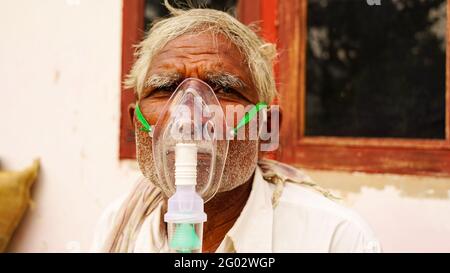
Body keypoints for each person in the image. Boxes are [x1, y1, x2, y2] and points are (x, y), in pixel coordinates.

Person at [91, 1, 380, 253]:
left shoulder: (334, 239)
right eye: (166, 88)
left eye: (222, 89)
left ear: (267, 129)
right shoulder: (120, 226)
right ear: (136, 126)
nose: (189, 117)